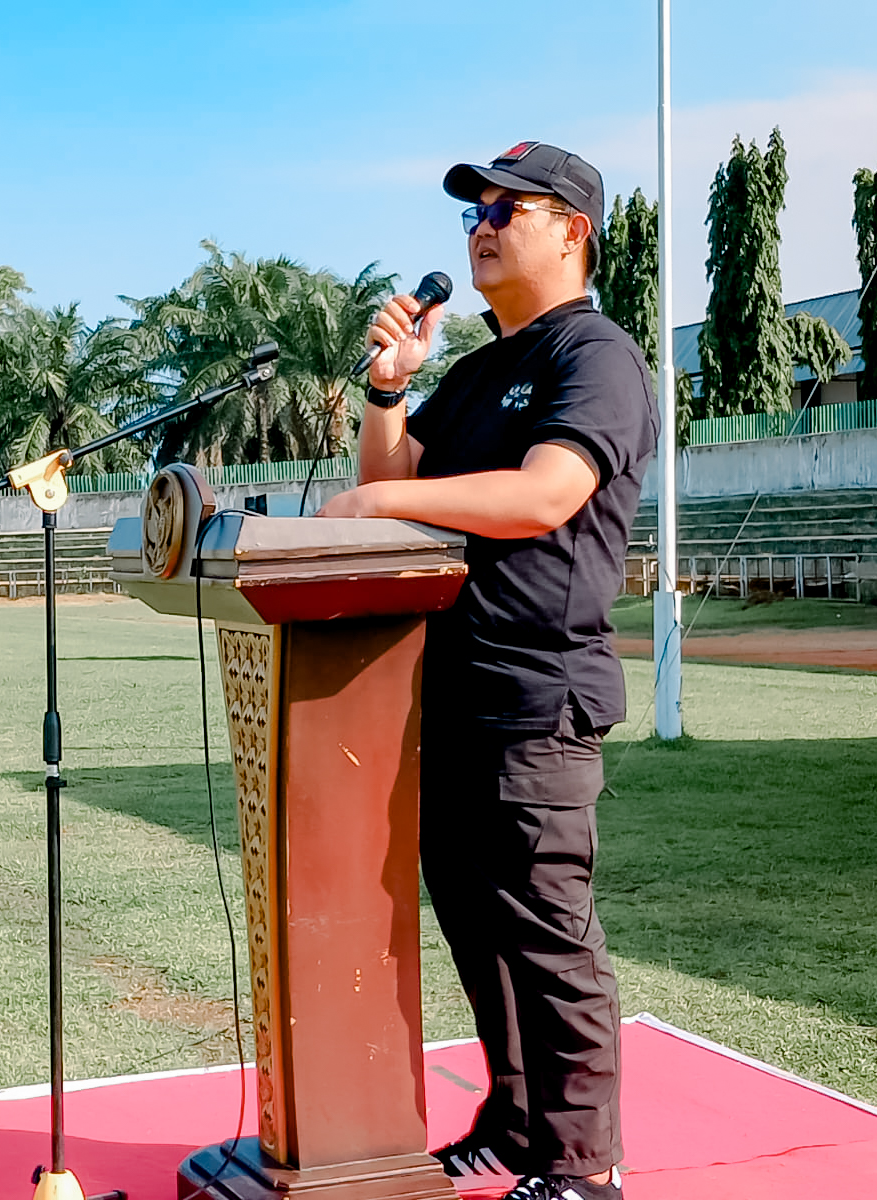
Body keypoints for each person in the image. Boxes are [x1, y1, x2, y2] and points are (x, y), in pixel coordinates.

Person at [319, 143, 655, 1200]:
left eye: (509, 209)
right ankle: (514, 1126)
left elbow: (545, 494)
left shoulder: (594, 357)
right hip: (448, 695)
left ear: (572, 230)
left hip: (535, 696)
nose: (483, 228)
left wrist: (384, 502)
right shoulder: (473, 374)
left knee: (546, 936)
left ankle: (582, 1165)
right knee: (480, 931)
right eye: (474, 213)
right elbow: (396, 475)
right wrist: (387, 392)